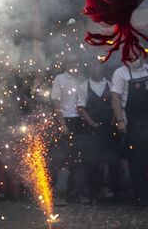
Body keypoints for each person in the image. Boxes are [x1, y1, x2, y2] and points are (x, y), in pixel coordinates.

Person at [111, 57, 148, 205]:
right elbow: (115, 98)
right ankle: (141, 194)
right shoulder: (120, 73)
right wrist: (120, 121)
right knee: (137, 159)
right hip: (133, 122)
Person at [77, 59, 120, 201]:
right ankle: (94, 191)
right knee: (93, 161)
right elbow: (81, 108)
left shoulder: (111, 84)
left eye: (98, 65)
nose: (95, 68)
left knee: (112, 159)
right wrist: (92, 124)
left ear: (103, 67)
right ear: (88, 68)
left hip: (109, 127)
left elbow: (116, 104)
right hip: (92, 129)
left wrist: (113, 121)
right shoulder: (83, 87)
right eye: (92, 65)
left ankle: (115, 191)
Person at [50, 54, 87, 205]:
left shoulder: (83, 80)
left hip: (80, 121)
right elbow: (55, 103)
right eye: (71, 62)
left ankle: (79, 193)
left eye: (76, 62)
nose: (74, 65)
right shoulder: (60, 79)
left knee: (79, 159)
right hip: (66, 121)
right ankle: (60, 195)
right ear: (66, 64)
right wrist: (62, 124)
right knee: (63, 159)